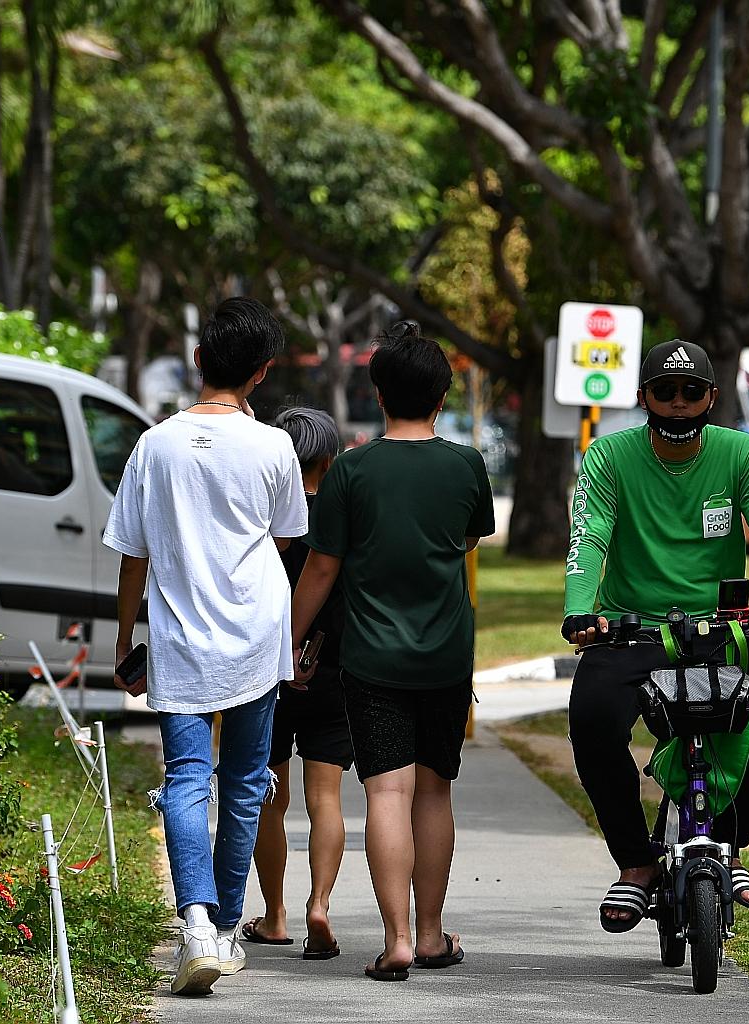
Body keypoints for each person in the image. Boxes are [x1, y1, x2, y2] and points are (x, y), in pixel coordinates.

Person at [560, 338, 749, 932]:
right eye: (665, 392)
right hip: (634, 632)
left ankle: (728, 843)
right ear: (644, 395)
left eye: (691, 392)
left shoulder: (742, 455)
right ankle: (636, 867)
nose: (679, 404)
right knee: (592, 721)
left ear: (711, 397)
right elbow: (590, 534)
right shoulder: (610, 456)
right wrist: (581, 611)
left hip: (723, 631)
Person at [104, 297, 308, 996]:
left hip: (180, 637)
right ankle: (223, 929)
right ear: (262, 373)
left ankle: (193, 925)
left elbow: (132, 556)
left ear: (198, 361)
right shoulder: (275, 446)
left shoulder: (153, 444)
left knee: (187, 778)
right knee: (246, 782)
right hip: (255, 636)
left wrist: (125, 636)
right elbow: (283, 538)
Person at [289, 321, 494, 982]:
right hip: (444, 656)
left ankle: (397, 941)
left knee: (386, 792)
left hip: (372, 657)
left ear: (378, 395)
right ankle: (433, 934)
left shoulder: (351, 470)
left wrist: (285, 643)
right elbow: (465, 541)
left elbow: (321, 570)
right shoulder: (466, 466)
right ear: (442, 398)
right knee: (434, 791)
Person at [242, 406, 353, 961]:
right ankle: (320, 905)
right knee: (325, 798)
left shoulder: (266, 522)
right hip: (332, 672)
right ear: (330, 461)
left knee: (270, 799)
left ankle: (276, 915)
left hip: (269, 671)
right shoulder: (341, 518)